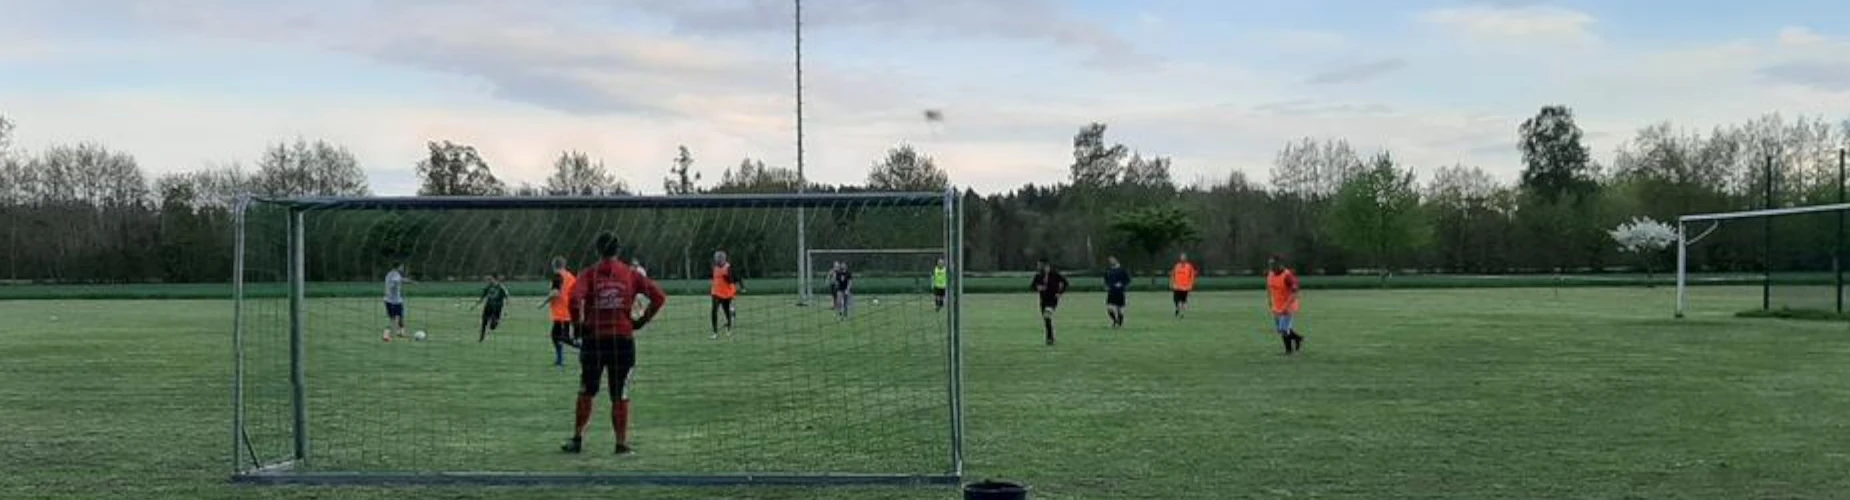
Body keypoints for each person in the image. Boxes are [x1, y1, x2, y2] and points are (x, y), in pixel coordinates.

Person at [562, 231, 667, 455]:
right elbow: (659, 296)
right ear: (618, 250)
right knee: (620, 393)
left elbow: (573, 299)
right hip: (623, 341)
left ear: (597, 250)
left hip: (595, 341)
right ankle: (621, 444)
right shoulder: (630, 274)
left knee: (587, 389)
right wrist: (640, 321)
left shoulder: (589, 274)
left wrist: (578, 325)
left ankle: (577, 439)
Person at [541, 257, 578, 368]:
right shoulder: (571, 276)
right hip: (568, 310)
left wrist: (543, 303)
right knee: (557, 336)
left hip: (562, 312)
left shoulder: (557, 276)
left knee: (563, 338)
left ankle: (585, 348)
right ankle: (559, 361)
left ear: (553, 265)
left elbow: (555, 293)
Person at [1267, 254, 1305, 354]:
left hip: (1288, 307)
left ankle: (1289, 351)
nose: (1271, 266)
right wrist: (1270, 301)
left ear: (1280, 264)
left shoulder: (1288, 276)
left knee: (1283, 330)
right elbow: (1269, 288)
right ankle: (1298, 338)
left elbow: (1294, 292)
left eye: (1273, 264)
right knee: (1281, 329)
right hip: (1277, 306)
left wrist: (1286, 307)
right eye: (1270, 264)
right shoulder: (1271, 274)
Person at [1030, 259, 1069, 346]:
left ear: (1045, 265)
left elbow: (1066, 283)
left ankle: (1050, 339)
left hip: (1052, 299)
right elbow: (1032, 286)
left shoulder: (1055, 274)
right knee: (1047, 320)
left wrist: (1060, 293)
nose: (1038, 267)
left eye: (1040, 265)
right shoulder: (1038, 276)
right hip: (1043, 300)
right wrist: (1038, 288)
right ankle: (1050, 338)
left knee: (1047, 315)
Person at [710, 250, 742, 339]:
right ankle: (715, 332)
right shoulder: (714, 267)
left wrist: (729, 279)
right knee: (713, 311)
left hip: (726, 293)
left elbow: (734, 278)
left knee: (726, 311)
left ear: (724, 259)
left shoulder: (728, 267)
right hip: (716, 292)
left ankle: (729, 328)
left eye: (720, 258)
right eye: (717, 258)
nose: (718, 260)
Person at [381, 263, 415, 342]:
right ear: (398, 267)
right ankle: (386, 335)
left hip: (388, 299)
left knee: (400, 316)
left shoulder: (389, 274)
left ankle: (401, 332)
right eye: (402, 267)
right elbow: (399, 280)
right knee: (393, 319)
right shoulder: (396, 275)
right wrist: (411, 282)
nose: (403, 268)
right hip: (394, 301)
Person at [475, 273, 510, 342]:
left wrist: (506, 308)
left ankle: (496, 322)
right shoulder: (488, 287)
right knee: (484, 322)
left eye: (490, 279)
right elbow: (483, 296)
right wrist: (477, 304)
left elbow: (507, 297)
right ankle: (481, 337)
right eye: (488, 279)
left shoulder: (501, 287)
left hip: (497, 308)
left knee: (492, 326)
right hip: (488, 306)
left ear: (495, 279)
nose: (489, 280)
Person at [1104, 256, 1131, 329]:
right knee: (1109, 307)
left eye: (1112, 260)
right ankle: (1115, 320)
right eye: (1109, 261)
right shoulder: (1108, 270)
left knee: (1120, 309)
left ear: (1116, 260)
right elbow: (1106, 279)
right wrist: (1107, 285)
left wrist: (1122, 284)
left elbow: (1127, 280)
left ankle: (1120, 323)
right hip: (1111, 291)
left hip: (1120, 291)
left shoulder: (1122, 270)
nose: (1111, 262)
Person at [1170, 252, 1198, 318]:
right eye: (1182, 257)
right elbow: (1173, 275)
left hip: (1185, 287)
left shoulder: (1189, 266)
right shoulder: (1177, 266)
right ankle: (1177, 308)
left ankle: (1182, 313)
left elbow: (1192, 276)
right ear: (1180, 258)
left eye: (1184, 257)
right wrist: (1172, 283)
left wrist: (1191, 285)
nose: (1183, 258)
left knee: (1183, 301)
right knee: (1175, 300)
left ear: (1186, 258)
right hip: (1177, 286)